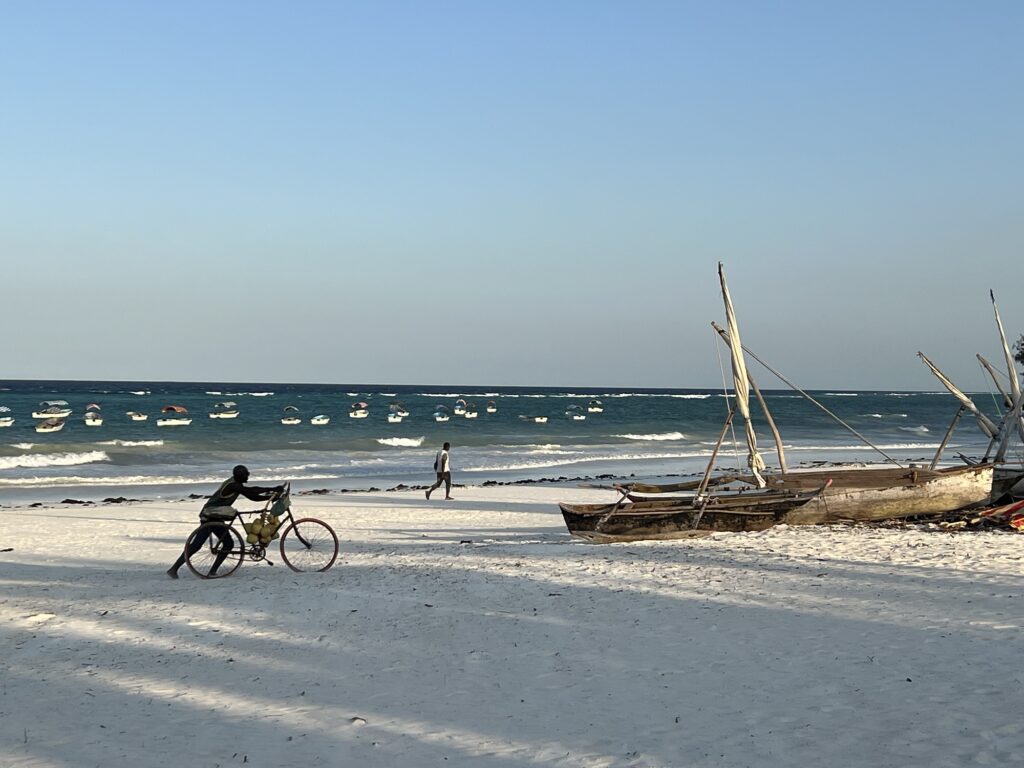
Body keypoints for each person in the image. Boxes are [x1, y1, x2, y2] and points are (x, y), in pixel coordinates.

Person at [166, 465, 282, 578]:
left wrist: (270, 497)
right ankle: (180, 569)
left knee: (213, 544)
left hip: (215, 516)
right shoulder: (233, 485)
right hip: (211, 516)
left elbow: (253, 496)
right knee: (203, 544)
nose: (248, 477)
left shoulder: (236, 483)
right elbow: (251, 490)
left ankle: (180, 569)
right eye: (246, 475)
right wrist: (272, 489)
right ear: (240, 476)